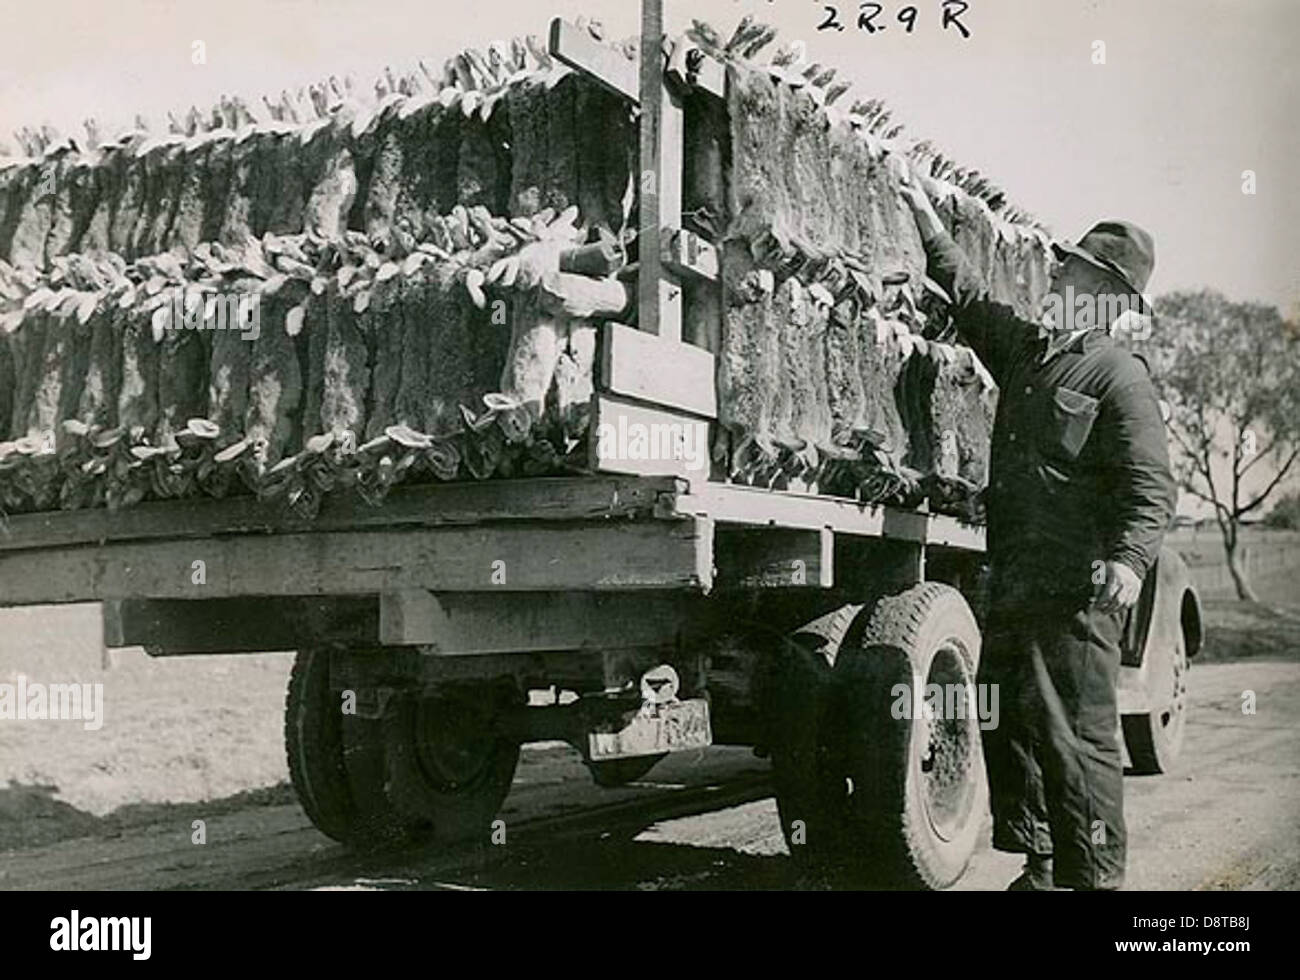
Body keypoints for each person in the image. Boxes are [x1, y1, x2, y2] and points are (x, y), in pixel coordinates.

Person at [898, 168, 1177, 890]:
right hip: (1017, 582)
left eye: (1075, 272)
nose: (1058, 277)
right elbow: (970, 300)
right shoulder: (1028, 352)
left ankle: (1093, 880)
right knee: (1011, 728)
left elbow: (1151, 487)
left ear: (1109, 296)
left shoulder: (1119, 376)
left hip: (1077, 593)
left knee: (1077, 742)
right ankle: (1043, 861)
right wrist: (928, 222)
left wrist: (1129, 563)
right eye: (1063, 268)